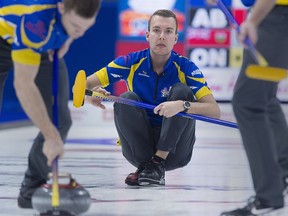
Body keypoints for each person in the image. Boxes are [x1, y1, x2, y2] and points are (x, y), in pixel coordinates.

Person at [85, 9, 221, 186]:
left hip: (176, 152)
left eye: (168, 31)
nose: (162, 36)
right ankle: (149, 167)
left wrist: (183, 105)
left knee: (182, 92)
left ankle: (156, 164)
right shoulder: (130, 61)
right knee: (125, 98)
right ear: (148, 35)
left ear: (175, 38)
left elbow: (214, 111)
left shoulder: (187, 68)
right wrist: (92, 95)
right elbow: (84, 85)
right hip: (139, 152)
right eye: (157, 30)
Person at [0, 0, 101, 208]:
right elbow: (23, 85)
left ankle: (31, 187)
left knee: (60, 120)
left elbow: (73, 28)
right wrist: (50, 136)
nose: (79, 34)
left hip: (43, 42)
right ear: (61, 7)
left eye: (86, 28)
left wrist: (68, 37)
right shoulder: (36, 21)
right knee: (52, 130)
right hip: (7, 39)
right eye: (75, 27)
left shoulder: (71, 17)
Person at [206, 0, 288, 215]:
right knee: (264, 98)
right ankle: (283, 172)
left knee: (249, 103)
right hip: (274, 16)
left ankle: (268, 196)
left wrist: (253, 19)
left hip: (276, 16)